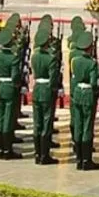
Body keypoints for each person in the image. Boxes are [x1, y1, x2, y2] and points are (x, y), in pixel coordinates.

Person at [69, 29, 99, 171]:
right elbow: (94, 83)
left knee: (78, 124)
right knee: (87, 126)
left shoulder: (74, 60)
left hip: (77, 93)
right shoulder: (92, 63)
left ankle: (79, 158)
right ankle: (86, 160)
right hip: (87, 94)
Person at [0, 25, 24, 161]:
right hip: (10, 87)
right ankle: (7, 149)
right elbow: (16, 75)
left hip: (0, 85)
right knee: (8, 118)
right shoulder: (13, 57)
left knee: (0, 117)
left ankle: (1, 148)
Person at [30, 26, 58, 164]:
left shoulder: (34, 56)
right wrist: (54, 90)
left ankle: (37, 154)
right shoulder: (51, 58)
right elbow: (53, 78)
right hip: (46, 90)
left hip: (37, 89)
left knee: (37, 123)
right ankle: (44, 155)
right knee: (46, 123)